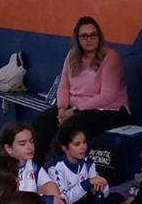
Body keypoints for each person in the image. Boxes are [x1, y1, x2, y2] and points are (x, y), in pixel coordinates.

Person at [32, 16, 131, 163]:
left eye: (93, 35)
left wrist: (74, 111)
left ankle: (59, 169)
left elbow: (107, 96)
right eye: (84, 36)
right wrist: (61, 110)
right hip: (74, 108)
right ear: (77, 38)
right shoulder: (72, 56)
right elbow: (63, 85)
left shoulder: (110, 57)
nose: (89, 39)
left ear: (99, 36)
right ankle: (35, 168)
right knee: (43, 121)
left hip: (108, 110)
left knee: (70, 127)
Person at [45, 125, 117, 204]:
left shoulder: (88, 163)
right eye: (77, 144)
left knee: (107, 199)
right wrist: (87, 184)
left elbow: (102, 194)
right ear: (65, 148)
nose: (83, 147)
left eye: (84, 142)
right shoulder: (55, 168)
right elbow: (64, 201)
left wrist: (103, 185)